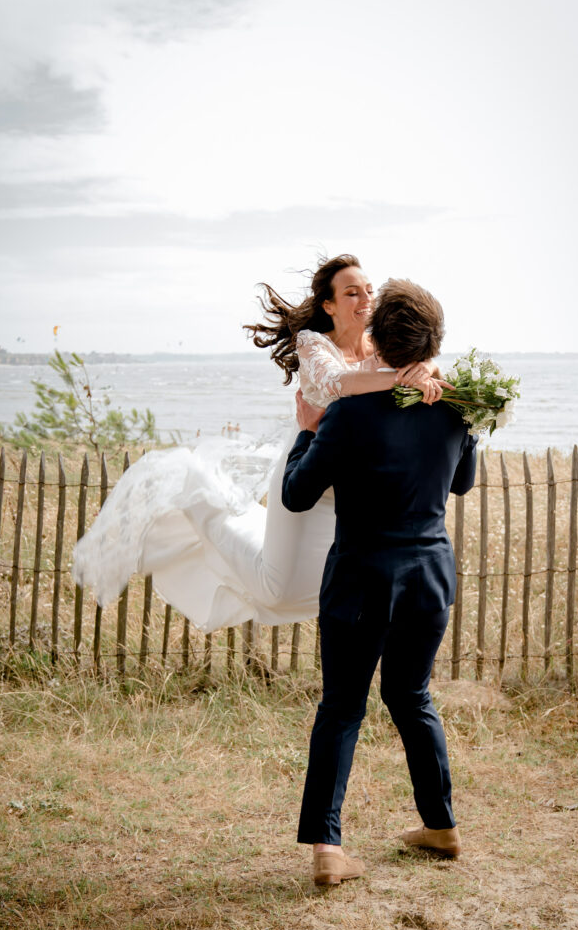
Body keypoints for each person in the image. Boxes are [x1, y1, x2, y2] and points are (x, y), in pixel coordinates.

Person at [72, 255, 442, 632]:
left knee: (331, 583)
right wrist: (401, 379)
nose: (365, 298)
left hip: (354, 488)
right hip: (306, 471)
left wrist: (426, 369)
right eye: (351, 292)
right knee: (277, 590)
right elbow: (336, 384)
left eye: (368, 290)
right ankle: (200, 500)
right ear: (328, 305)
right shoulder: (313, 343)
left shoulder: (383, 347)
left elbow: (428, 364)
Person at [282, 278, 477, 886]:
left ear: (377, 337)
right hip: (429, 579)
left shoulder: (349, 412)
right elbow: (463, 481)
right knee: (411, 697)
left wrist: (308, 430)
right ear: (432, 340)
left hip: (361, 579)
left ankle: (328, 850)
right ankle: (440, 826)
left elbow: (296, 495)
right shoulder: (455, 406)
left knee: (342, 705)